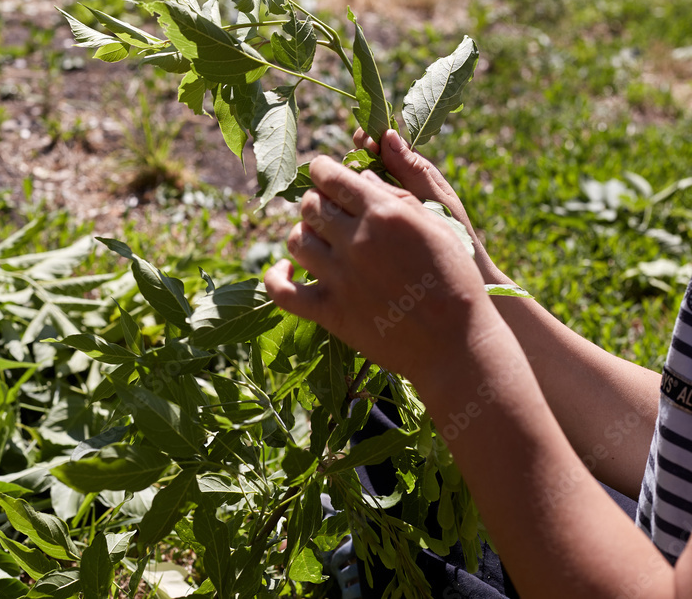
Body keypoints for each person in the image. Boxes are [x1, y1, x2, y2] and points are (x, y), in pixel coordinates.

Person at [263, 127, 692, 598]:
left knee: (428, 564)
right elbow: (678, 438)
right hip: (663, 534)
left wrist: (456, 351)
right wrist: (482, 287)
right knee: (383, 404)